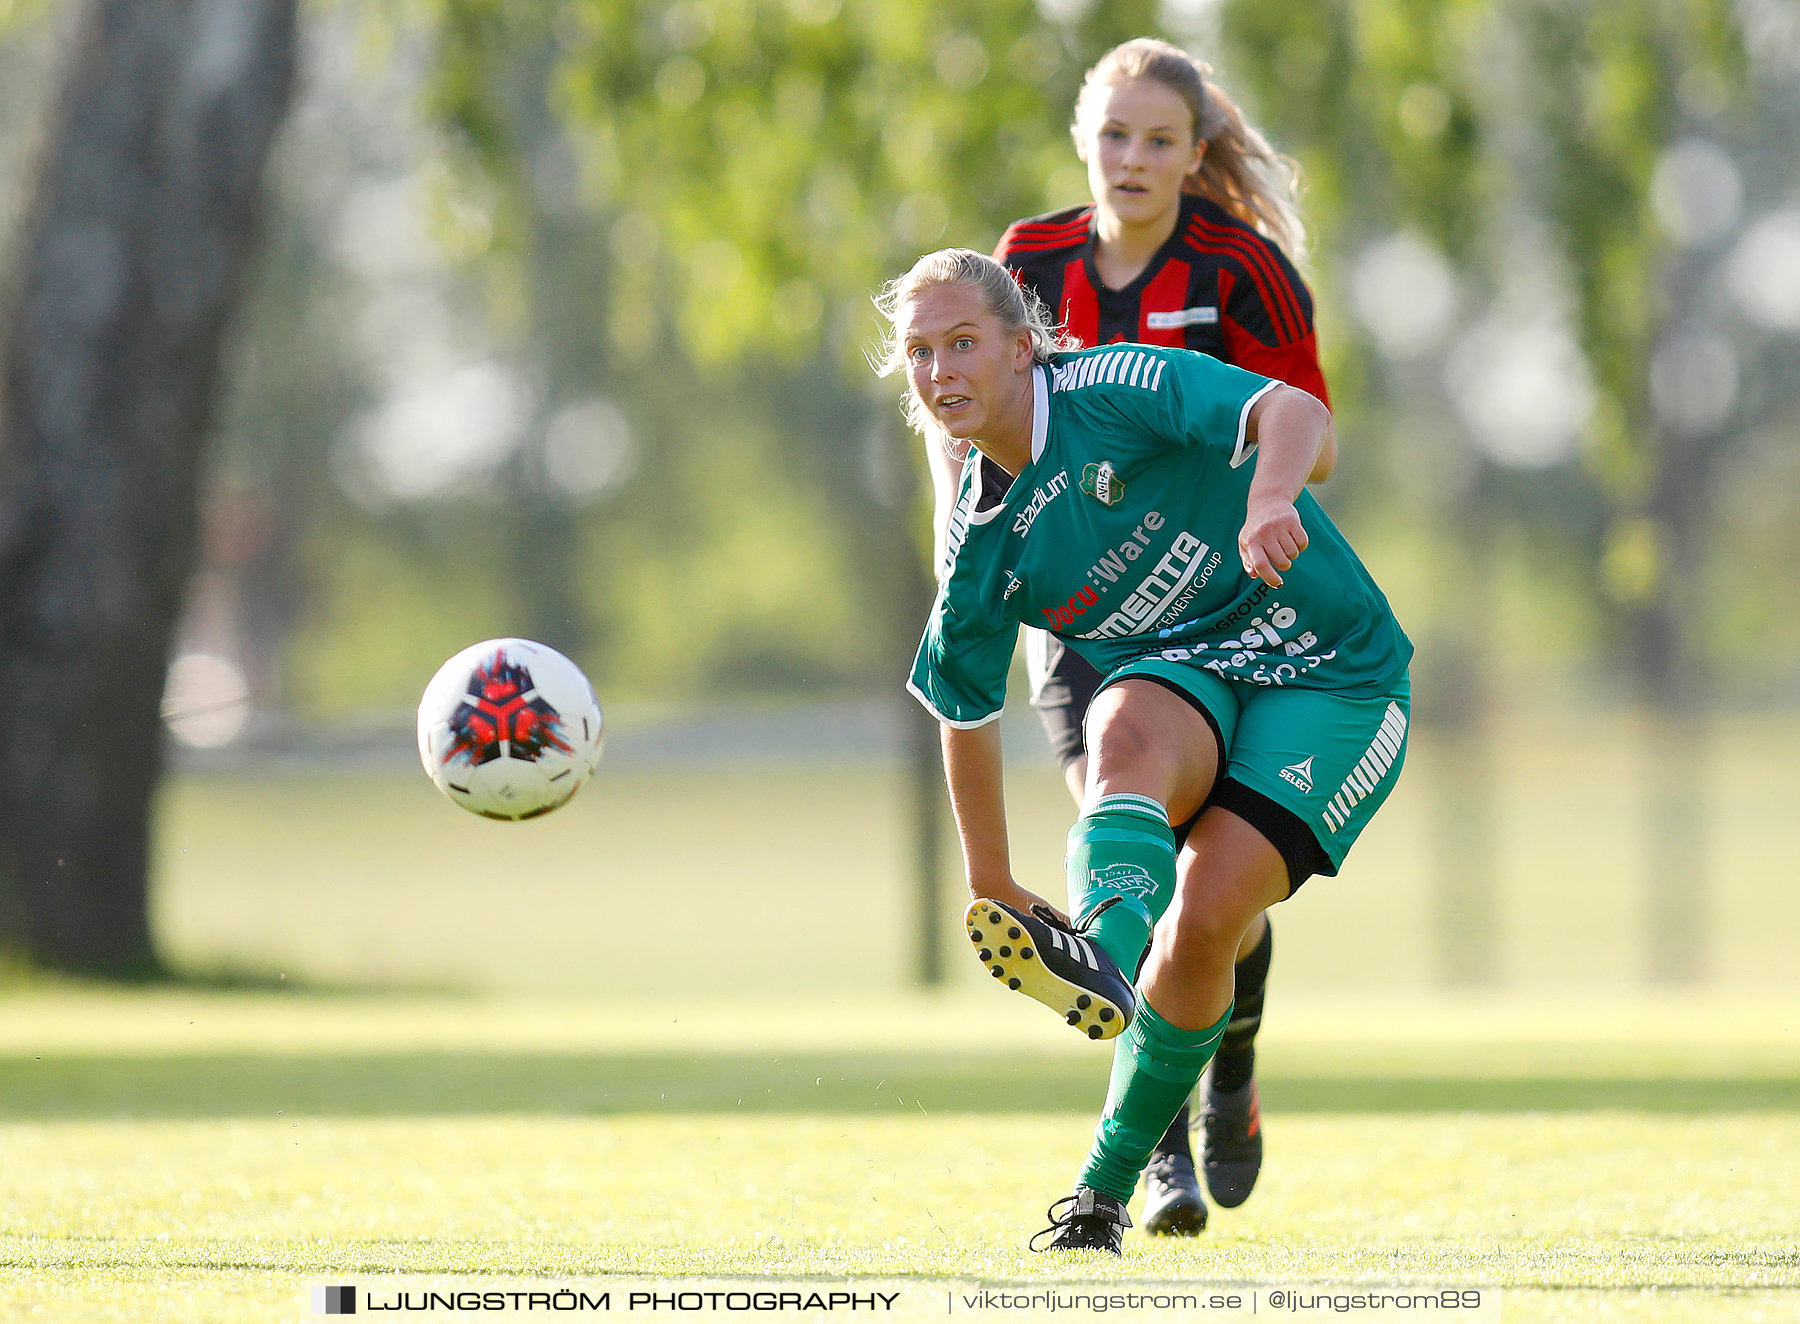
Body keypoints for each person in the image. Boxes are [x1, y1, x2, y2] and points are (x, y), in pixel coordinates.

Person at [877, 247, 1411, 1254]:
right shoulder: (978, 538)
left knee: (1209, 914)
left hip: (1331, 665)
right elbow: (962, 706)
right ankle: (1100, 963)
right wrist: (991, 876)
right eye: (919, 352)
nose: (942, 370)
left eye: (962, 342)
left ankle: (1101, 1182)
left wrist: (1268, 499)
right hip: (1184, 666)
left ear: (1022, 346)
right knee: (1120, 737)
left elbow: (1295, 413)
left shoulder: (1110, 385)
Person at [922, 37, 1328, 1238]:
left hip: (1219, 604)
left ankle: (1232, 1057)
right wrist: (965, 536)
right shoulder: (1027, 263)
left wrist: (1235, 494)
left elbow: (1314, 431)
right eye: (1114, 134)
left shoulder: (1241, 268)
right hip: (1082, 618)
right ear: (1081, 142)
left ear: (1197, 155)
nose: (1134, 158)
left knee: (1221, 892)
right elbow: (973, 415)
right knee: (1129, 838)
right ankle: (1157, 1161)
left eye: (1160, 139)